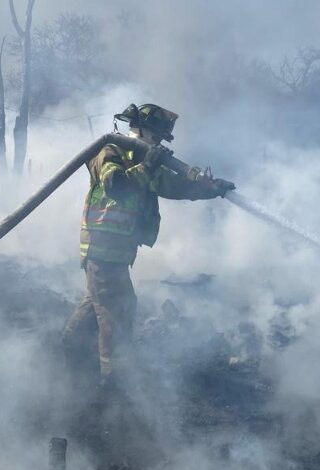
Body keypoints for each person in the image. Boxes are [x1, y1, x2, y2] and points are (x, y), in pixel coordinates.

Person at [62, 103, 235, 384]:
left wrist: (210, 190)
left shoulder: (143, 159)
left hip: (117, 250)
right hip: (102, 246)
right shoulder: (110, 151)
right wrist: (148, 164)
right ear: (139, 129)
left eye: (159, 140)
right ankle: (113, 380)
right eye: (155, 137)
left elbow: (173, 186)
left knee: (99, 300)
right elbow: (115, 186)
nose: (157, 144)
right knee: (117, 310)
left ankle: (69, 349)